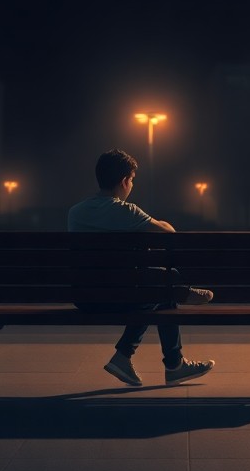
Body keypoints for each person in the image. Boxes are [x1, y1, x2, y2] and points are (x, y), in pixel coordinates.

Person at [68, 149, 215, 387]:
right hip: (122, 297)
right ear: (125, 180)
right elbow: (169, 232)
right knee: (163, 288)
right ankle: (164, 360)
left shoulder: (75, 213)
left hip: (84, 297)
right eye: (132, 179)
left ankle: (140, 356)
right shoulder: (126, 211)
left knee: (159, 289)